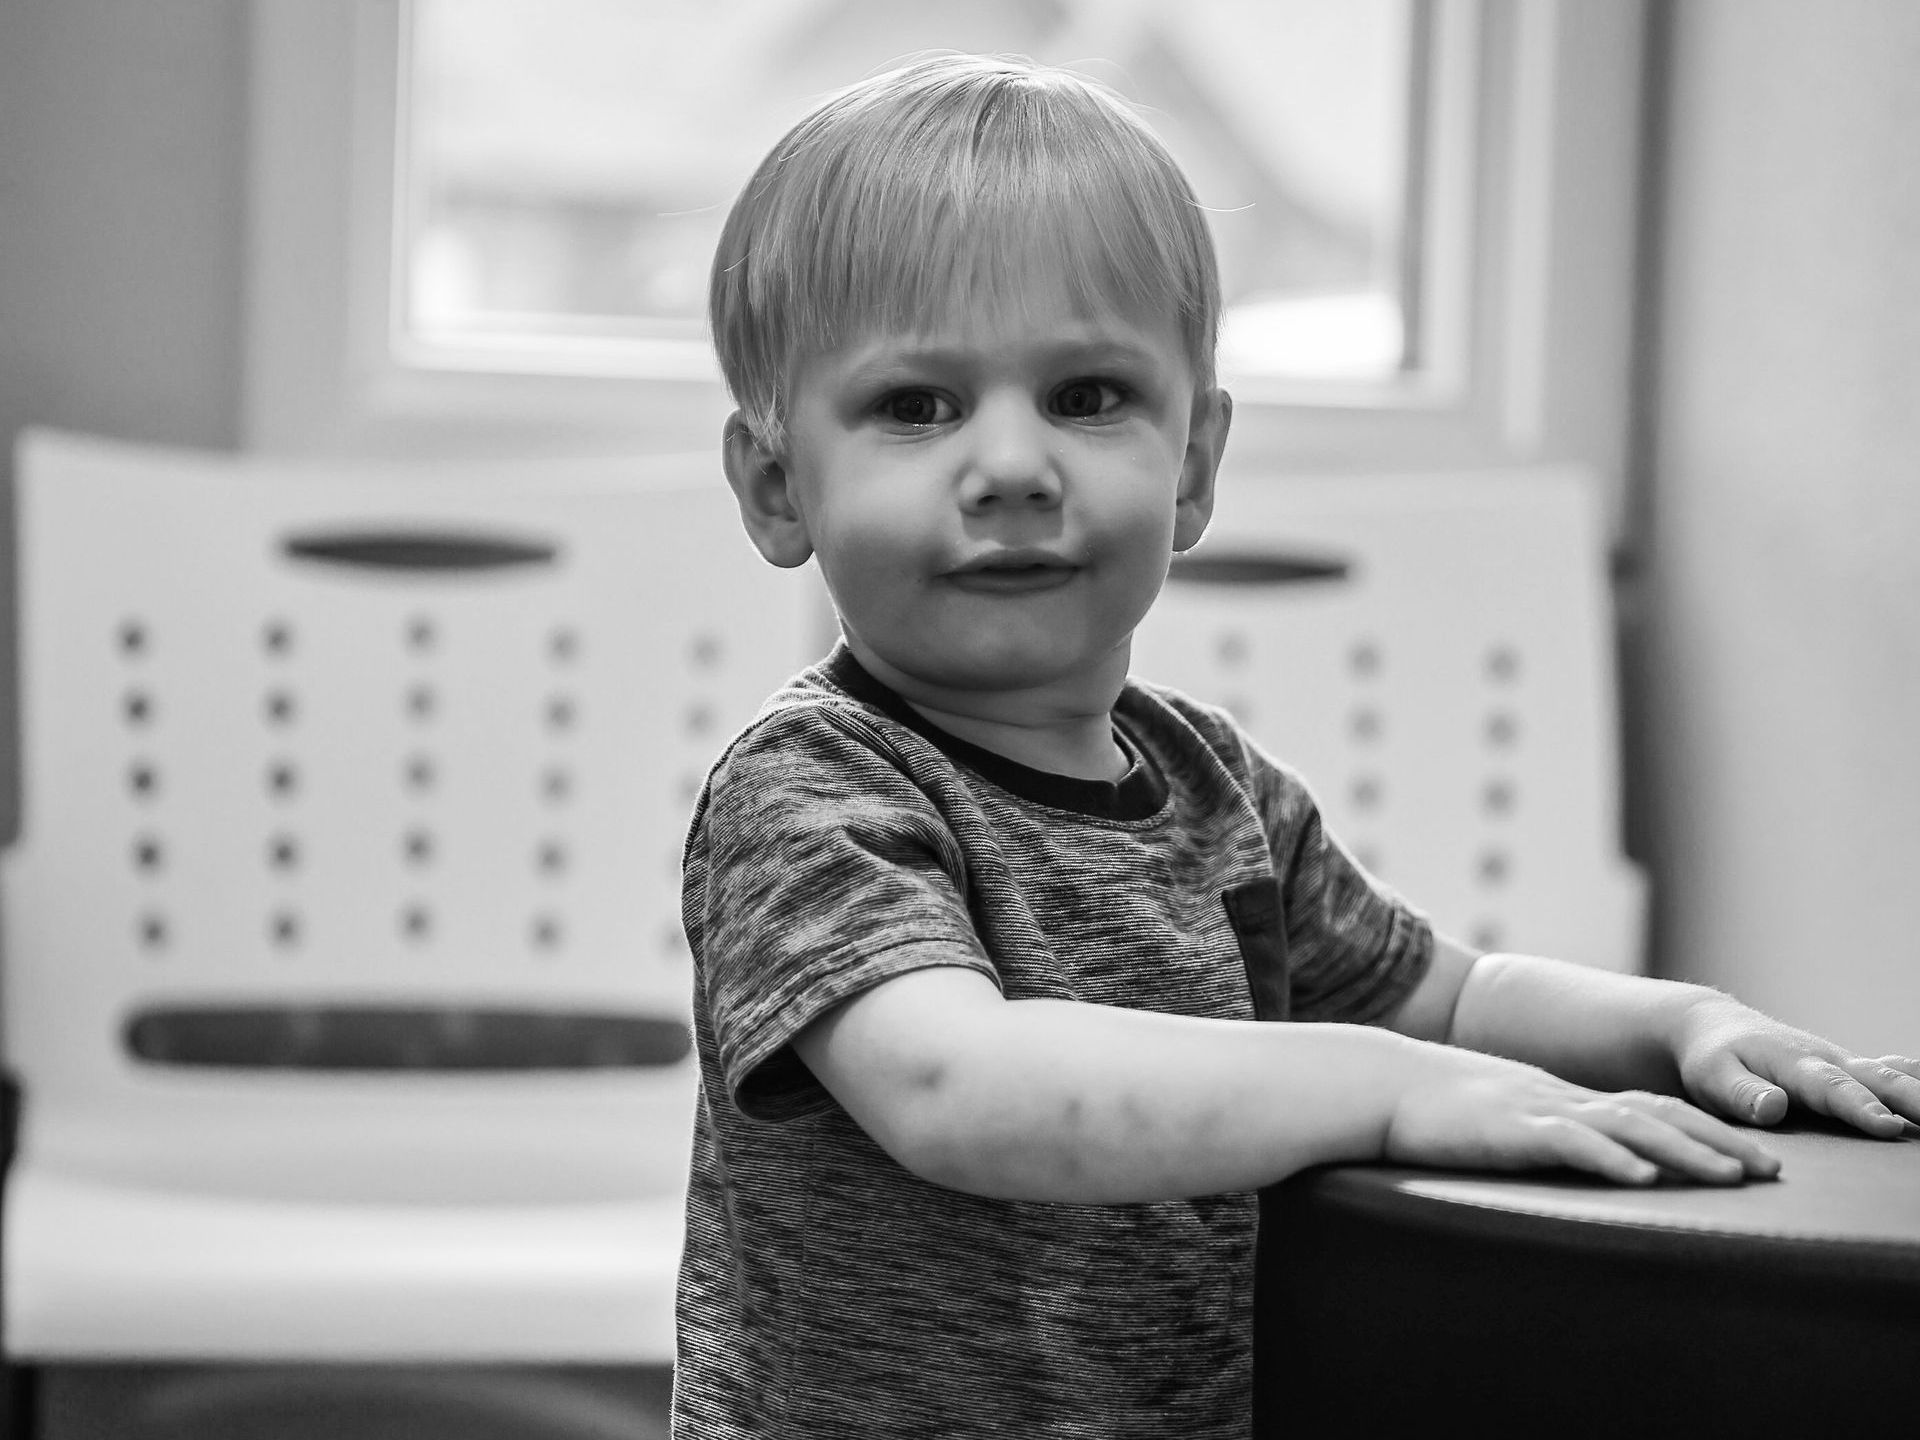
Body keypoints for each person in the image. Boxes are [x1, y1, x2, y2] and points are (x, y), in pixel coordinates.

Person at [672, 52, 1919, 1438]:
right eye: (918, 406)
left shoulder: (1215, 791)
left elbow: (1442, 997)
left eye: (1088, 396)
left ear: (1195, 464)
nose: (1015, 465)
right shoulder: (814, 791)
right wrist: (1386, 1095)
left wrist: (1680, 1023)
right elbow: (952, 1087)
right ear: (780, 487)